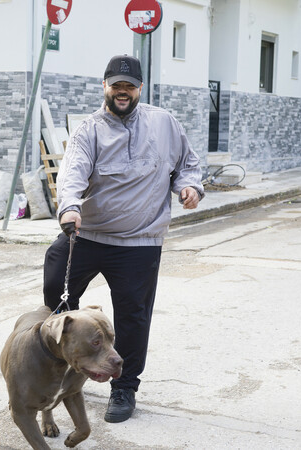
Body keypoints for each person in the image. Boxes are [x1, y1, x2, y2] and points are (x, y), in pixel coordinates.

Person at [43, 54, 204, 423]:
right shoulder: (89, 130)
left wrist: (189, 187)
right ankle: (67, 362)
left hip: (139, 241)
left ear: (140, 89)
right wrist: (69, 207)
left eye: (129, 86)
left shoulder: (164, 123)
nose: (122, 92)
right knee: (56, 280)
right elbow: (72, 173)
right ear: (105, 86)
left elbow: (188, 165)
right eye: (116, 85)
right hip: (91, 233)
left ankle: (124, 387)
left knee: (133, 316)